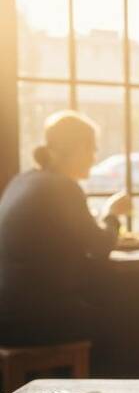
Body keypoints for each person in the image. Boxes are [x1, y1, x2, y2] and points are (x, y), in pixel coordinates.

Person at [0, 111, 131, 344]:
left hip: (8, 311)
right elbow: (100, 246)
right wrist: (112, 214)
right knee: (129, 314)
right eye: (92, 149)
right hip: (34, 318)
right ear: (78, 148)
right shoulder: (63, 187)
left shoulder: (22, 181)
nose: (94, 157)